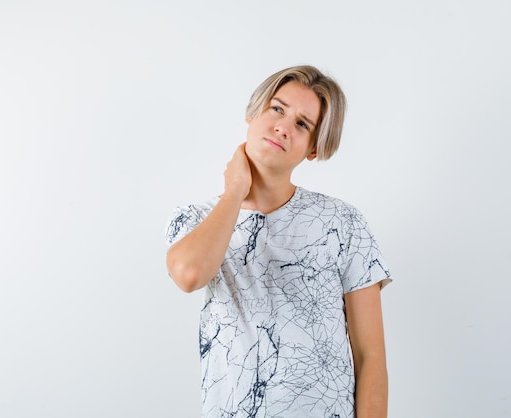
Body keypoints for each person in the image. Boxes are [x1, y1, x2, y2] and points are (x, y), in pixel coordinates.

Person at [165, 65, 392, 418]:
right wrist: (235, 191)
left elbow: (371, 356)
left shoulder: (343, 223)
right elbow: (189, 274)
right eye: (277, 109)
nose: (283, 127)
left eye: (303, 124)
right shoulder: (197, 219)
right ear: (253, 113)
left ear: (313, 148)